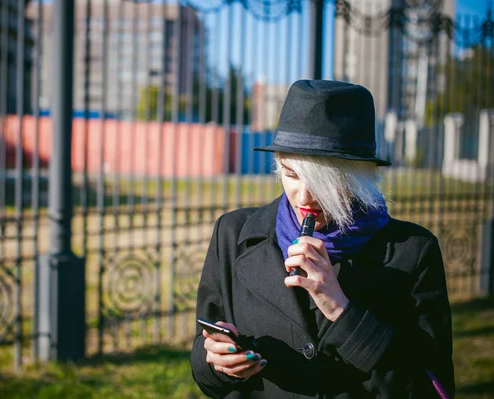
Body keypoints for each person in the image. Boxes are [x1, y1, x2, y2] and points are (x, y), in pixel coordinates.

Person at [190, 80, 455, 398]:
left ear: (360, 177)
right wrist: (219, 366)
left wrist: (340, 308)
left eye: (323, 181)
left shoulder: (413, 251)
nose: (303, 196)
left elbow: (429, 389)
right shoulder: (232, 234)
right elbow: (204, 367)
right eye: (291, 173)